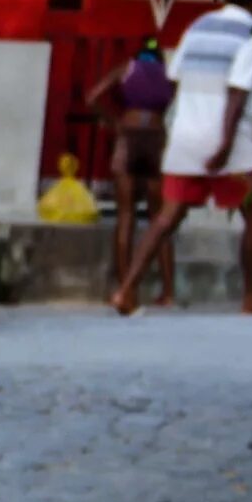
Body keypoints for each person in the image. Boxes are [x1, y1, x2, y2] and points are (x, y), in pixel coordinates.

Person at [113, 0, 252, 316]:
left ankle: (126, 290)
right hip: (227, 137)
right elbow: (237, 91)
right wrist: (224, 143)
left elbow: (173, 78)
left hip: (186, 133)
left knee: (166, 217)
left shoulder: (197, 27)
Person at [84, 35, 174, 309]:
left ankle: (127, 289)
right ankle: (167, 293)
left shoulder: (127, 68)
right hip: (156, 139)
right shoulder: (170, 75)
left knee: (126, 215)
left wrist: (114, 122)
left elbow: (93, 97)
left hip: (129, 136)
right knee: (160, 219)